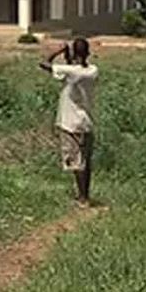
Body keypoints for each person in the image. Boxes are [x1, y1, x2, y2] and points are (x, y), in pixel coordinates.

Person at [40, 37, 98, 207]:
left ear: (75, 54)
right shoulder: (93, 71)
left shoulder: (71, 72)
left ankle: (82, 199)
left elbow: (44, 63)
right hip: (86, 121)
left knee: (76, 162)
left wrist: (58, 50)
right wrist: (69, 54)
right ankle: (85, 195)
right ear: (87, 53)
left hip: (71, 123)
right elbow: (73, 68)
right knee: (85, 162)